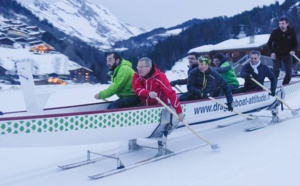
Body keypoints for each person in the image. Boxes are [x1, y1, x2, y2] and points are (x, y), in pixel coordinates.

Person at [132, 57, 184, 121]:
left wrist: (179, 111)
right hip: (144, 107)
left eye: (141, 67)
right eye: (138, 67)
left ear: (149, 67)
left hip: (158, 108)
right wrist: (148, 93)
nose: (139, 69)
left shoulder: (160, 76)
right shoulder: (137, 75)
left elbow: (170, 93)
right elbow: (137, 89)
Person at [267, 16, 298, 85]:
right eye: (280, 24)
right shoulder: (275, 32)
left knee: (289, 73)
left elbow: (295, 44)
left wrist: (293, 50)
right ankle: (274, 85)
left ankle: (285, 85)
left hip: (288, 54)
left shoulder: (291, 32)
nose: (281, 25)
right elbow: (269, 44)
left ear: (287, 24)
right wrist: (272, 53)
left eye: (283, 23)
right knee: (275, 71)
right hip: (277, 54)